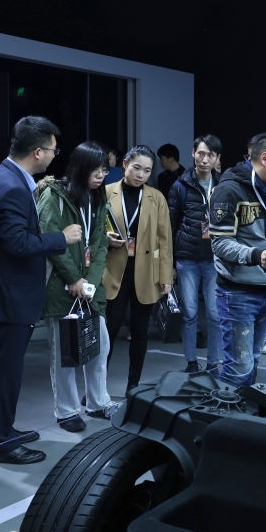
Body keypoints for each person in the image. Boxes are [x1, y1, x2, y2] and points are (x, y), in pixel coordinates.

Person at [0, 116, 82, 465]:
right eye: (53, 149)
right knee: (5, 373)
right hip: (7, 295)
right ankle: (0, 444)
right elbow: (16, 243)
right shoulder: (13, 186)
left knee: (1, 372)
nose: (55, 155)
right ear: (38, 152)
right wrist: (61, 237)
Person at [37, 141, 120, 433]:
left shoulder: (98, 198)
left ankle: (98, 402)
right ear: (80, 167)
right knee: (65, 353)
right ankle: (66, 410)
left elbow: (99, 246)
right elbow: (50, 240)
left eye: (105, 170)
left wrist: (90, 284)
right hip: (61, 286)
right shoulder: (55, 196)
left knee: (100, 345)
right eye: (96, 170)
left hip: (89, 289)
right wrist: (74, 279)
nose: (101, 176)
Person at [209, 132, 266, 387]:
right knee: (238, 368)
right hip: (238, 294)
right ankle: (223, 412)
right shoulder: (229, 189)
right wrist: (257, 256)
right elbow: (219, 243)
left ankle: (242, 410)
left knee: (252, 361)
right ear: (264, 158)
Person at [103, 145, 173, 397]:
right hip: (114, 270)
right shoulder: (106, 192)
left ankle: (133, 385)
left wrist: (166, 276)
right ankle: (97, 388)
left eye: (147, 170)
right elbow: (95, 228)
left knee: (140, 332)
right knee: (108, 332)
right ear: (124, 164)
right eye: (136, 168)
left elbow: (165, 240)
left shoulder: (156, 197)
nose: (141, 174)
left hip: (146, 272)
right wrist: (105, 238)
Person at [168, 134, 224, 374]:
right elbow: (170, 225)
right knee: (189, 314)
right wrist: (170, 264)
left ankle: (213, 362)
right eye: (200, 153)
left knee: (214, 314)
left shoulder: (224, 186)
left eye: (210, 155)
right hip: (186, 259)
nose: (204, 159)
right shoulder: (180, 186)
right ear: (192, 154)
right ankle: (191, 362)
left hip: (214, 259)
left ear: (217, 158)